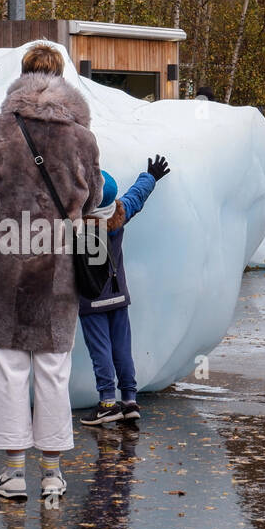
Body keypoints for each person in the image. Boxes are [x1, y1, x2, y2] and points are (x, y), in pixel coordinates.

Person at [0, 43, 101, 501]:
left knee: (7, 366)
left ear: (20, 76)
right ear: (63, 78)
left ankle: (13, 473)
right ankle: (53, 473)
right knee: (53, 368)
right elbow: (95, 198)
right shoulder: (82, 137)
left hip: (3, 263)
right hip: (58, 265)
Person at [77, 157, 169, 426]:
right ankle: (129, 400)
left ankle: (107, 403)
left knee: (100, 351)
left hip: (91, 300)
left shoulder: (76, 226)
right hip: (119, 296)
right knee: (122, 349)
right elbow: (135, 197)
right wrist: (150, 176)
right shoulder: (119, 214)